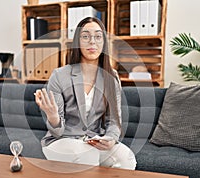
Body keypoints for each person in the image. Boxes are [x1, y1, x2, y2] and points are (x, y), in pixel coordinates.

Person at [35, 17, 136, 170]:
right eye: (85, 36)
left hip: (92, 141)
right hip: (62, 141)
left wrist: (111, 139)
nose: (92, 42)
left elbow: (114, 121)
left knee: (126, 159)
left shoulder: (111, 77)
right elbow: (57, 132)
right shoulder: (60, 75)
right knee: (87, 156)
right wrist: (53, 116)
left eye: (97, 36)